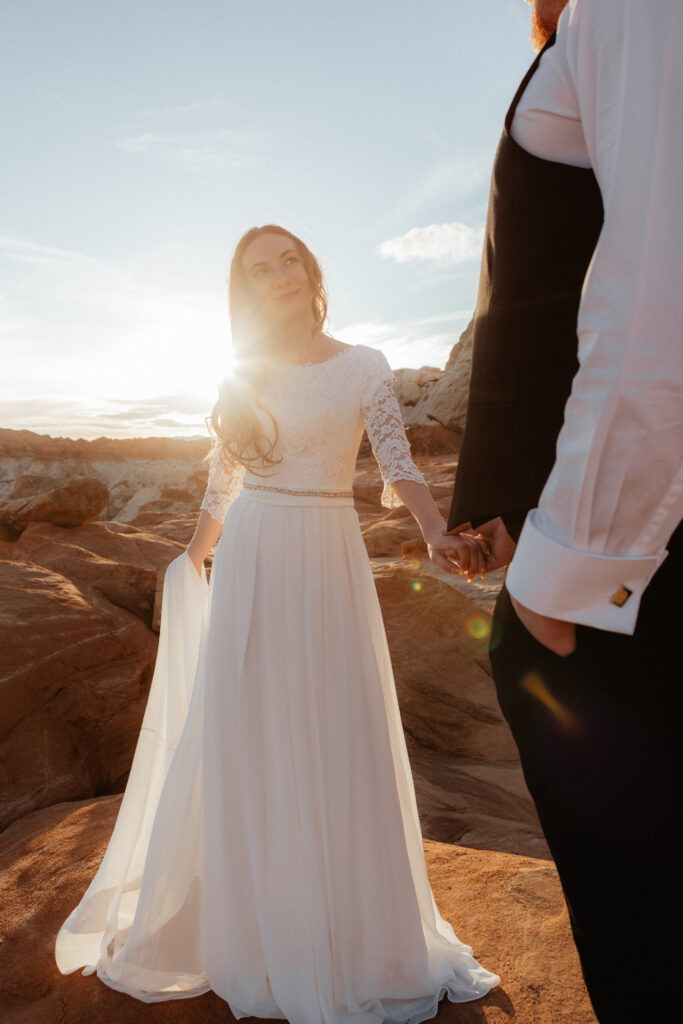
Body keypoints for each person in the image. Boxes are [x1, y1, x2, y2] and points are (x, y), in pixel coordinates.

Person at [54, 224, 500, 1021]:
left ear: (310, 268)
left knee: (333, 728)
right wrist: (195, 552)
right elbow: (228, 471)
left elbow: (396, 466)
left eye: (288, 260)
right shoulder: (245, 371)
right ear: (248, 290)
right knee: (250, 727)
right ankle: (255, 930)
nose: (279, 276)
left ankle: (342, 929)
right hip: (256, 551)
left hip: (327, 552)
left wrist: (435, 530)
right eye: (260, 270)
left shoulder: (365, 366)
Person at [446, 1, 683, 1021]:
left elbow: (648, 292)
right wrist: (503, 496)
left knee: (648, 929)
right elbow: (544, 303)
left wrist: (571, 567)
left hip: (634, 575)